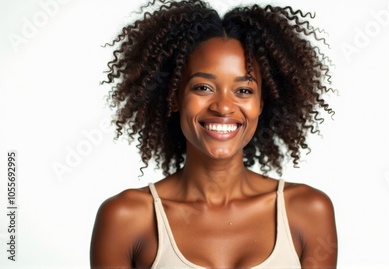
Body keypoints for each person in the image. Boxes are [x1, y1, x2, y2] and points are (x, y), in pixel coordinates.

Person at [90, 0, 337, 268]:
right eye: (203, 87)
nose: (223, 107)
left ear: (261, 104)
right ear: (175, 97)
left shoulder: (307, 211)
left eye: (243, 90)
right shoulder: (126, 218)